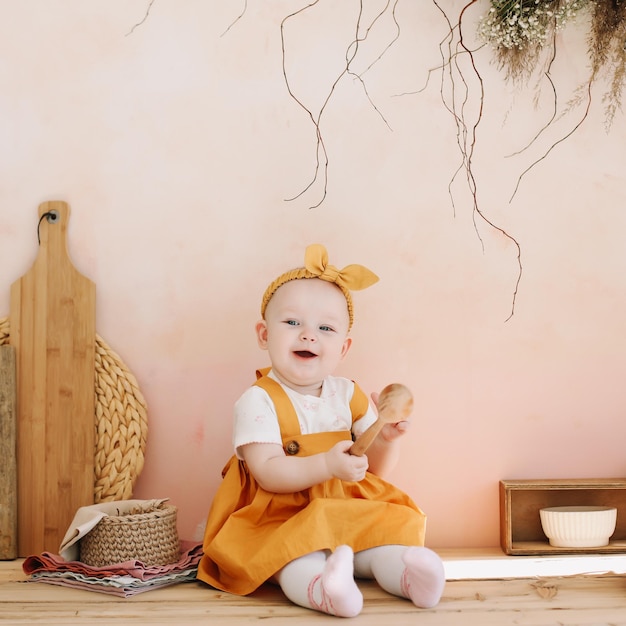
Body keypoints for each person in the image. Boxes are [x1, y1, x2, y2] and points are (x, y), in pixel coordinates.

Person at [197, 244, 445, 617]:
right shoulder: (258, 400)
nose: (308, 335)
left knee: (377, 541)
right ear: (264, 335)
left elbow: (373, 470)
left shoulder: (348, 395)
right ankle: (323, 588)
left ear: (343, 347)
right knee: (290, 558)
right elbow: (268, 472)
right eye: (293, 323)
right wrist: (326, 466)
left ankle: (408, 574)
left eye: (325, 328)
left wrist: (386, 440)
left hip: (345, 507)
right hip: (279, 515)